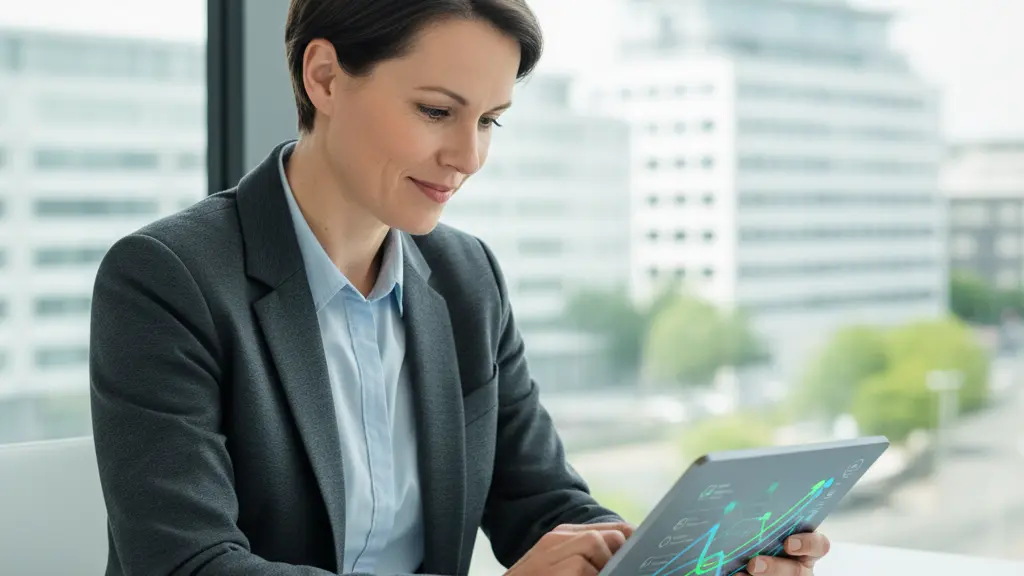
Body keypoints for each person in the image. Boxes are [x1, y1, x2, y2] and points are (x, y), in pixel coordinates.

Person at [89, 0, 832, 575]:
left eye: (490, 122)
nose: (468, 156)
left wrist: (687, 558)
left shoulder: (466, 277)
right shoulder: (166, 278)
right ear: (325, 78)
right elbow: (189, 565)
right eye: (437, 111)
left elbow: (543, 504)